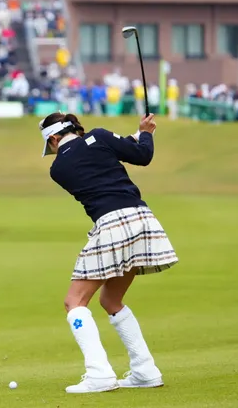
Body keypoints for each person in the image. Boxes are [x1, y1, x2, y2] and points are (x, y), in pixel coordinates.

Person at [38, 112, 179, 394]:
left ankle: (99, 374)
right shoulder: (100, 137)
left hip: (112, 224)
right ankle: (145, 371)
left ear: (53, 138)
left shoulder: (58, 169)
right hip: (142, 219)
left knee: (74, 302)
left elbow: (93, 155)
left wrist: (136, 136)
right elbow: (141, 155)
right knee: (111, 300)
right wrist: (146, 132)